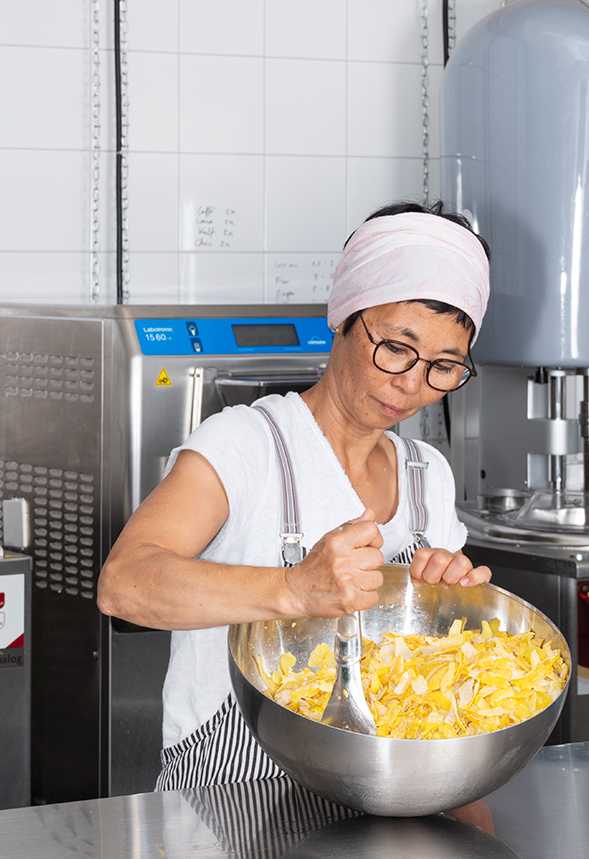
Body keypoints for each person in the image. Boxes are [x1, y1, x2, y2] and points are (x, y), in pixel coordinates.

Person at [97, 199, 493, 791]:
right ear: (344, 316)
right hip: (231, 804)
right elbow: (124, 585)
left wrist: (445, 595)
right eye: (395, 347)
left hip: (381, 796)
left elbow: (428, 655)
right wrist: (294, 588)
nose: (411, 383)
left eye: (444, 366)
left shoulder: (426, 473)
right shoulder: (246, 443)